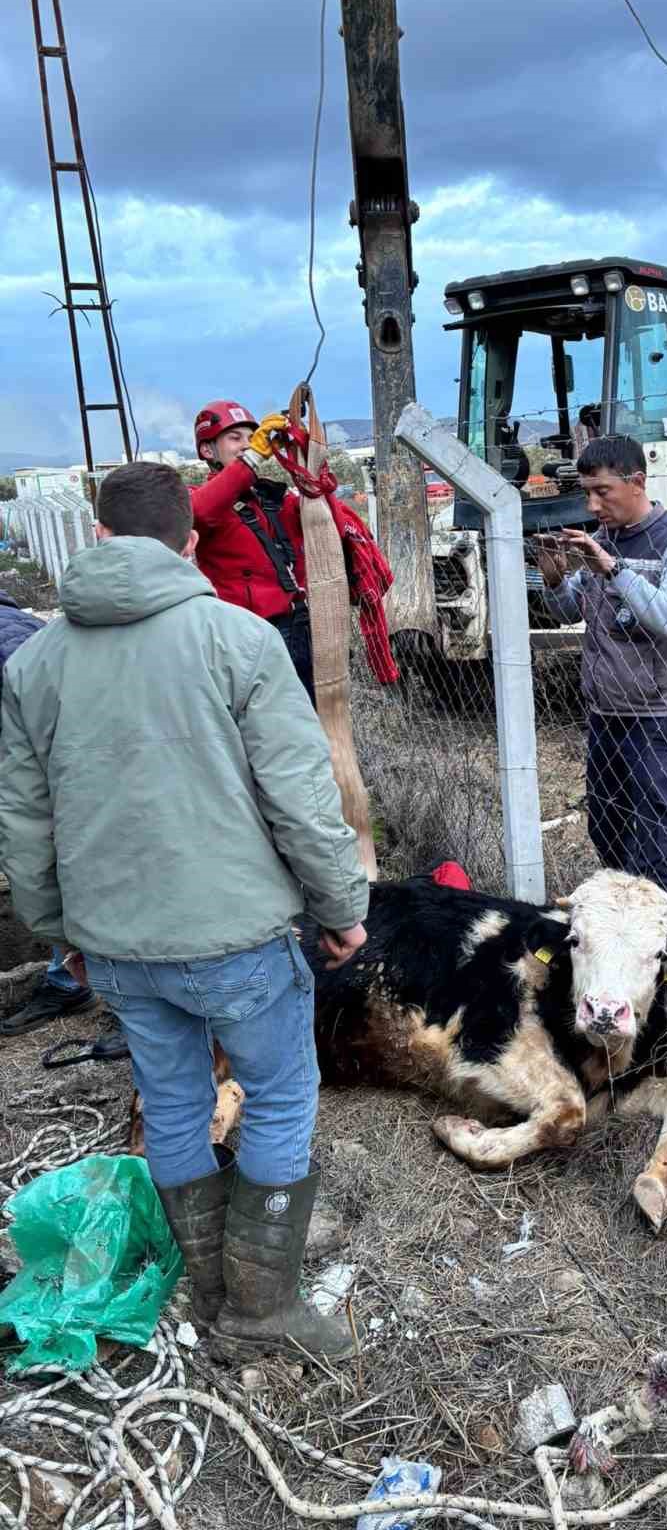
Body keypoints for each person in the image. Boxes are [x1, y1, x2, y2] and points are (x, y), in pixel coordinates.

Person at [0, 464, 370, 1365]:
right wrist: (340, 907)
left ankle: (207, 1292)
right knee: (280, 1097)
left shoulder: (35, 661)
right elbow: (300, 796)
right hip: (236, 936)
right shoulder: (237, 640)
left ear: (96, 537)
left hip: (116, 944)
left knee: (172, 1103)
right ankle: (260, 1308)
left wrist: (60, 935)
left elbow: (24, 818)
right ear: (191, 541)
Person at [537, 434, 667, 981]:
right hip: (605, 718)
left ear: (637, 482)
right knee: (610, 836)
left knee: (661, 846)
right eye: (586, 493)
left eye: (602, 491)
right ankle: (622, 952)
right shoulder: (601, 538)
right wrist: (556, 575)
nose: (592, 506)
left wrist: (613, 569)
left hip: (657, 722)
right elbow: (565, 611)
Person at [0, 586, 127, 1055]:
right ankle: (71, 980)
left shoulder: (14, 647)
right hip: (61, 774)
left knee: (80, 873)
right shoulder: (24, 632)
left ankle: (125, 1003)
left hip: (75, 780)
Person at [190, 402, 317, 702]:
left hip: (296, 626)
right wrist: (251, 459)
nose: (247, 444)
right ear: (208, 451)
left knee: (305, 716)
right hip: (245, 635)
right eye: (235, 438)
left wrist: (303, 454)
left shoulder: (271, 498)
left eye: (252, 437)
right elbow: (199, 512)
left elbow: (317, 514)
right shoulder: (200, 499)